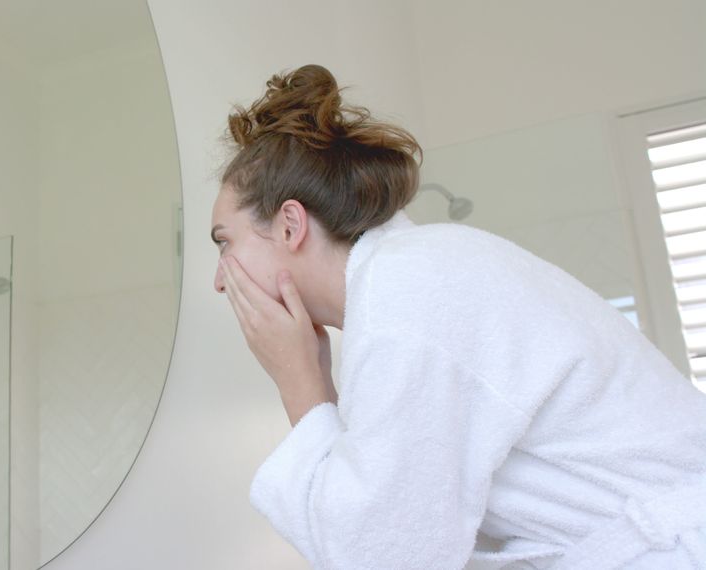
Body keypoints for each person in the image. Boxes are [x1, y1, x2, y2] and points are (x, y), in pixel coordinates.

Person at [212, 64, 706, 569]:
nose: (220, 279)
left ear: (290, 225)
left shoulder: (406, 289)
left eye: (225, 242)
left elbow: (383, 555)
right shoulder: (414, 275)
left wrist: (300, 384)